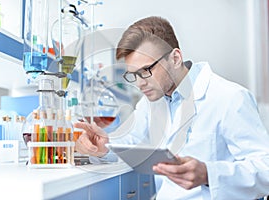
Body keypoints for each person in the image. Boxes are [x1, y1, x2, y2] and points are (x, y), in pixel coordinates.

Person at [75, 16, 269, 199]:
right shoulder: (151, 101)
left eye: (146, 71)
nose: (140, 83)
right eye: (133, 75)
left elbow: (265, 169)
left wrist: (209, 174)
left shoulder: (229, 97)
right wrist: (104, 147)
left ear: (175, 58)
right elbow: (133, 143)